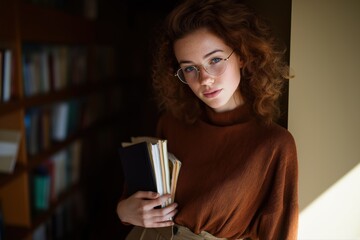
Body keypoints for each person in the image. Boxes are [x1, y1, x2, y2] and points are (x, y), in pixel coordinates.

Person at [116, 0, 298, 239]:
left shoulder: (274, 145)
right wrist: (123, 211)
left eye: (214, 60)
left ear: (242, 55)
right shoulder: (170, 124)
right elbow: (132, 200)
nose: (204, 79)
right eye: (190, 68)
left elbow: (279, 233)